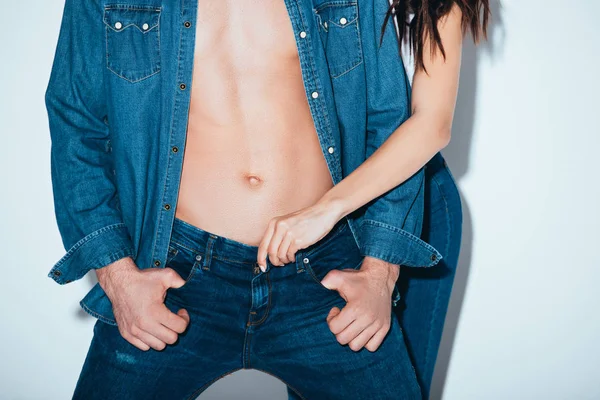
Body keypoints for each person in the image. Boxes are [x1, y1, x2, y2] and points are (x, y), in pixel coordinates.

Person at [44, 0, 488, 399]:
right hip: (174, 271)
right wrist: (118, 277)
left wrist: (379, 271)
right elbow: (77, 124)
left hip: (328, 263)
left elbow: (395, 120)